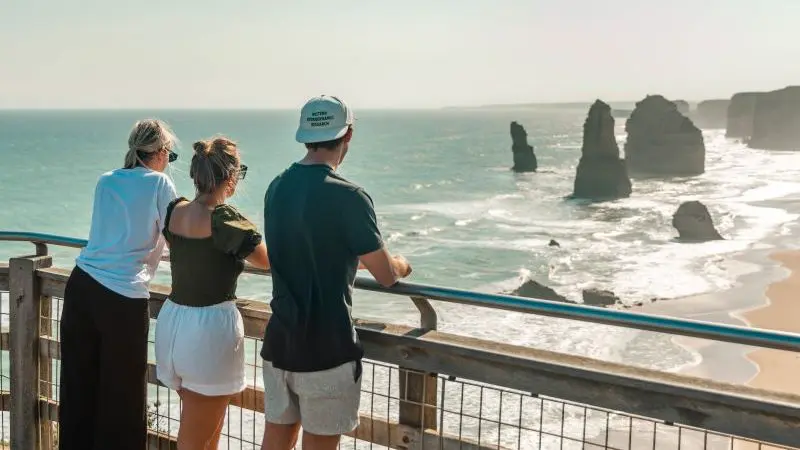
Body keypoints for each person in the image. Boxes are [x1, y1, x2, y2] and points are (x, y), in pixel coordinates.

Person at [259, 95, 412, 450]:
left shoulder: (277, 187)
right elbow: (387, 275)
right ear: (348, 135)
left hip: (280, 343)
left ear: (305, 137)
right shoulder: (350, 197)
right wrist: (401, 263)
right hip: (326, 350)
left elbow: (304, 249)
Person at [58, 119, 179, 450]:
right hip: (122, 296)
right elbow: (176, 238)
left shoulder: (106, 180)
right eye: (170, 154)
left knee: (78, 389)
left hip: (82, 286)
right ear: (160, 152)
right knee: (123, 398)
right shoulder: (160, 183)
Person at [155, 136, 270, 449]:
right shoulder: (224, 220)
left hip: (174, 322)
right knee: (196, 439)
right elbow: (267, 261)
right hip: (208, 331)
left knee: (203, 431)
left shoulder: (175, 211)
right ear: (231, 177)